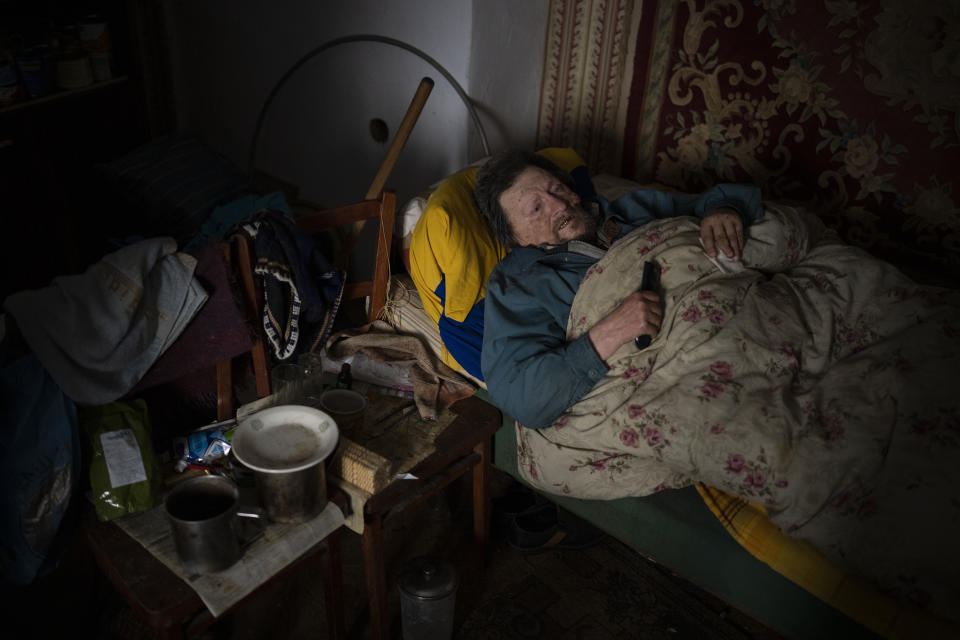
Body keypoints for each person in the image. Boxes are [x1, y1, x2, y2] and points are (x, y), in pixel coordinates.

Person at [476, 149, 764, 429]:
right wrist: (611, 332)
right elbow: (523, 399)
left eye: (557, 189)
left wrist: (724, 209)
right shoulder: (516, 287)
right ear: (514, 237)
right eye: (536, 208)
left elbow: (716, 200)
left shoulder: (626, 210)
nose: (560, 206)